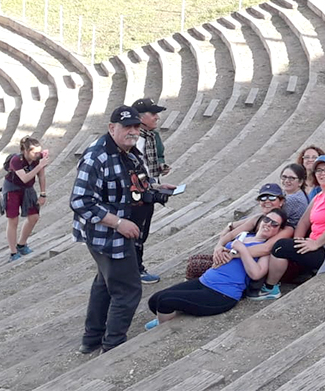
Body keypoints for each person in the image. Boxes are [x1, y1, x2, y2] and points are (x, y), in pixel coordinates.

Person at [71, 105, 169, 354]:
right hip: (109, 236)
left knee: (105, 284)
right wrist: (118, 223)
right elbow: (80, 201)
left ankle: (92, 339)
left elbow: (134, 182)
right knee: (128, 290)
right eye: (127, 127)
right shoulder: (97, 157)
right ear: (112, 128)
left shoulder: (130, 152)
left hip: (120, 232)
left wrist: (156, 187)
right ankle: (113, 345)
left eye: (136, 126)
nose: (133, 131)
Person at [146, 210, 283, 329]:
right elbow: (225, 236)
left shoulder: (264, 251)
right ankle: (167, 317)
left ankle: (163, 329)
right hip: (205, 281)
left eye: (274, 224)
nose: (268, 224)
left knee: (165, 301)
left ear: (278, 230)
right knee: (154, 300)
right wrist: (219, 249)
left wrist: (242, 250)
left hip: (222, 293)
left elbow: (256, 274)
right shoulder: (245, 235)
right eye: (267, 220)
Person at [251, 155, 325, 299]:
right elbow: (303, 222)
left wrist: (316, 243)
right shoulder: (320, 195)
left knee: (280, 247)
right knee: (287, 250)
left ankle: (270, 288)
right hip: (323, 245)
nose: (323, 173)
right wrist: (297, 242)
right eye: (319, 170)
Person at [131, 97, 170, 284]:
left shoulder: (151, 136)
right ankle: (135, 270)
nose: (157, 117)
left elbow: (151, 160)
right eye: (153, 114)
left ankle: (135, 268)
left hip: (148, 188)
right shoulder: (134, 139)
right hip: (137, 192)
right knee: (137, 231)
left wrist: (160, 167)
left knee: (142, 231)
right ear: (140, 117)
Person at [1, 136, 49, 261]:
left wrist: (43, 194)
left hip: (27, 189)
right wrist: (40, 165)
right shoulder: (16, 160)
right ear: (26, 151)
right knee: (13, 220)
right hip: (12, 189)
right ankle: (13, 252)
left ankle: (21, 244)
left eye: (39, 152)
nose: (38, 155)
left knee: (34, 217)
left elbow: (41, 176)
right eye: (35, 152)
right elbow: (25, 178)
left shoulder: (38, 159)